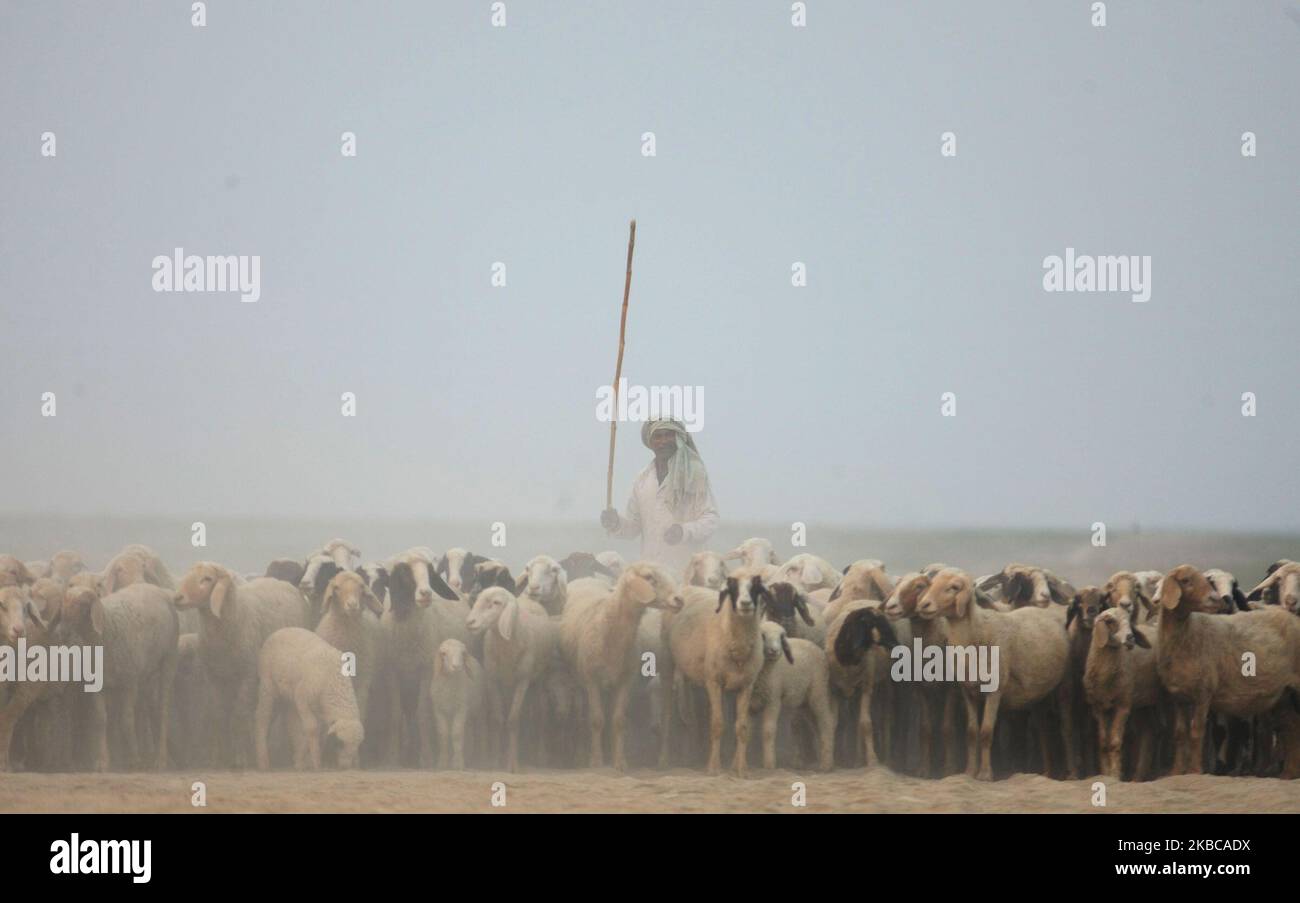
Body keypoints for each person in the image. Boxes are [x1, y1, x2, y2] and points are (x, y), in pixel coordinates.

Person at [600, 419, 719, 575]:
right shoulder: (642, 480)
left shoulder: (694, 475)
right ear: (650, 442)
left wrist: (683, 532)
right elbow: (634, 528)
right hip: (651, 573)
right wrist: (615, 523)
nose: (663, 441)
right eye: (658, 436)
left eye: (669, 435)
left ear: (678, 439)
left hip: (687, 572)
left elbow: (710, 519)